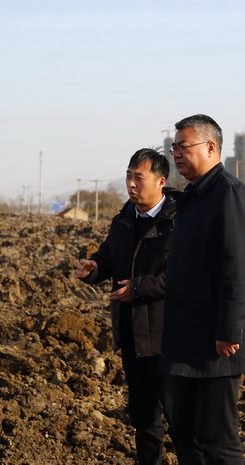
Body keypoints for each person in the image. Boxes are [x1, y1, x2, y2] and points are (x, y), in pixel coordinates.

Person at [160, 114, 245, 464]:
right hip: (187, 335)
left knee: (218, 440)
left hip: (216, 342)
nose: (176, 154)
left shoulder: (229, 193)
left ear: (211, 147)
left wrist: (228, 330)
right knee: (187, 434)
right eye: (173, 148)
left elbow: (237, 268)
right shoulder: (193, 196)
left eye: (183, 146)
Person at [75, 148, 176, 465]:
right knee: (144, 417)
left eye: (139, 178)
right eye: (128, 176)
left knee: (180, 418)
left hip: (168, 337)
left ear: (160, 181)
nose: (131, 184)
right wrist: (93, 268)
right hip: (132, 335)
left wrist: (138, 288)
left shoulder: (179, 221)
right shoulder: (123, 219)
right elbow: (108, 257)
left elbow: (182, 276)